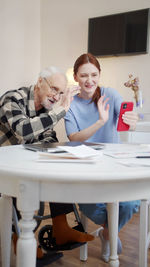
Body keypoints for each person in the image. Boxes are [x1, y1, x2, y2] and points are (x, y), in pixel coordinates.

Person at [0, 66, 94, 249]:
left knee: (55, 168)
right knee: (23, 181)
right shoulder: (11, 99)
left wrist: (57, 152)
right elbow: (23, 130)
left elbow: (49, 137)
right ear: (40, 82)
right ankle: (19, 239)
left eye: (60, 93)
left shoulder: (45, 108)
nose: (56, 97)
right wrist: (62, 110)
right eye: (54, 89)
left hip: (23, 165)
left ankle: (61, 227)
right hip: (4, 169)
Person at [64, 53, 140, 262]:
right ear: (76, 77)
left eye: (94, 74)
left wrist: (131, 121)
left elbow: (127, 122)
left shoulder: (110, 95)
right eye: (84, 75)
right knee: (89, 206)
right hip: (85, 168)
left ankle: (106, 234)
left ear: (99, 75)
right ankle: (110, 232)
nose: (89, 80)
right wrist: (100, 121)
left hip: (113, 165)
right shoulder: (70, 103)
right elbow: (74, 138)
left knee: (131, 203)